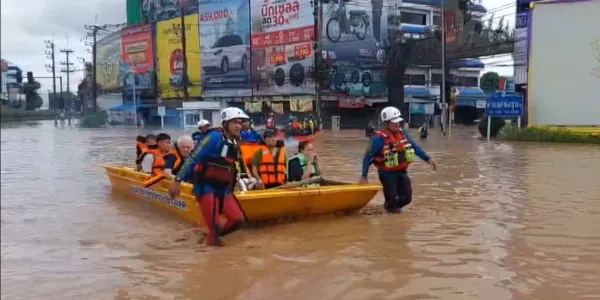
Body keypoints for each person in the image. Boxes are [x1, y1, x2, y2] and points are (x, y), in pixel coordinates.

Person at [169, 107, 248, 247]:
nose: (238, 126)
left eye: (240, 123)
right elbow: (193, 157)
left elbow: (233, 167)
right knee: (215, 227)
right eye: (234, 122)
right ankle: (213, 247)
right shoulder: (213, 137)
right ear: (225, 124)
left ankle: (210, 237)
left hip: (223, 188)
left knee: (238, 220)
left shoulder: (235, 141)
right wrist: (177, 180)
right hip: (206, 186)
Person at [359, 106, 437, 213]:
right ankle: (390, 215)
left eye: (398, 122)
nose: (397, 124)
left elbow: (414, 147)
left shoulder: (402, 134)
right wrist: (364, 176)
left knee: (407, 198)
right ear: (386, 123)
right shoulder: (378, 139)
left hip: (401, 172)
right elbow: (367, 157)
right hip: (387, 174)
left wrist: (428, 159)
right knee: (392, 201)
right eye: (394, 122)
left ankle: (388, 208)